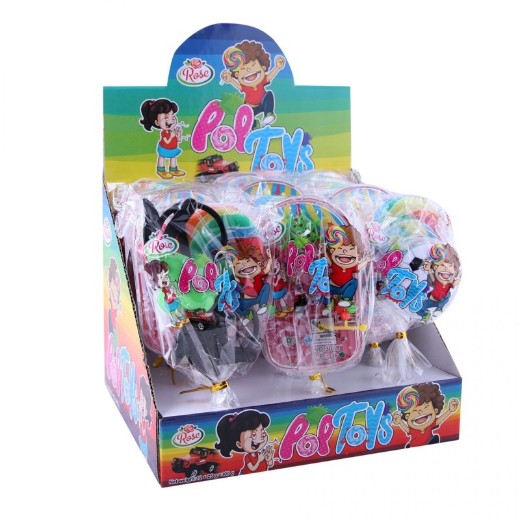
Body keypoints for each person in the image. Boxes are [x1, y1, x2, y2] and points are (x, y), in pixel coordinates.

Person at [221, 40, 285, 128]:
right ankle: (253, 125)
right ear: (236, 74)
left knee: (269, 94)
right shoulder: (244, 86)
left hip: (263, 104)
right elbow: (239, 86)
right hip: (251, 108)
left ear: (263, 68)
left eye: (253, 65)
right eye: (243, 69)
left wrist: (277, 67)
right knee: (246, 115)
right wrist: (230, 80)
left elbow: (269, 76)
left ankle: (268, 114)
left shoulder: (262, 81)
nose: (248, 70)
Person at [392, 383, 459, 448]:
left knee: (435, 438)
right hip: (413, 447)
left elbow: (439, 420)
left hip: (429, 444)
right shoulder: (413, 430)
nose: (420, 412)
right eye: (415, 410)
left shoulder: (430, 425)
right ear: (407, 417)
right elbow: (407, 429)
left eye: (426, 407)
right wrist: (400, 421)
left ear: (435, 410)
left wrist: (450, 410)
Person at [215, 410, 274, 474]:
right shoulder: (248, 457)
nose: (261, 437)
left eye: (263, 432)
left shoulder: (260, 454)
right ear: (239, 444)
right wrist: (259, 460)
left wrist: (269, 458)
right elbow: (252, 469)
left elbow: (270, 464)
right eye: (254, 434)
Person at [139, 98, 186, 179]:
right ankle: (161, 170)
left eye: (173, 116)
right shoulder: (164, 133)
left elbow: (179, 140)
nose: (172, 119)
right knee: (162, 157)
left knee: (173, 157)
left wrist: (178, 135)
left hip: (173, 148)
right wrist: (171, 136)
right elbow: (166, 141)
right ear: (157, 122)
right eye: (166, 117)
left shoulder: (172, 130)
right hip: (164, 148)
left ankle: (173, 169)